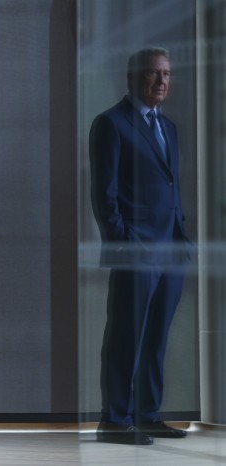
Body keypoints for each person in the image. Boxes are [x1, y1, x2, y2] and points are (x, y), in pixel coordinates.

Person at [90, 47, 191, 445]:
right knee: (125, 338)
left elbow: (171, 188)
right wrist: (124, 246)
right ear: (132, 78)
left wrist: (182, 240)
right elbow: (105, 196)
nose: (161, 80)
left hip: (171, 251)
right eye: (152, 73)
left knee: (156, 340)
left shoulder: (169, 128)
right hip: (136, 253)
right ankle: (115, 421)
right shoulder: (111, 124)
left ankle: (147, 415)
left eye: (166, 73)